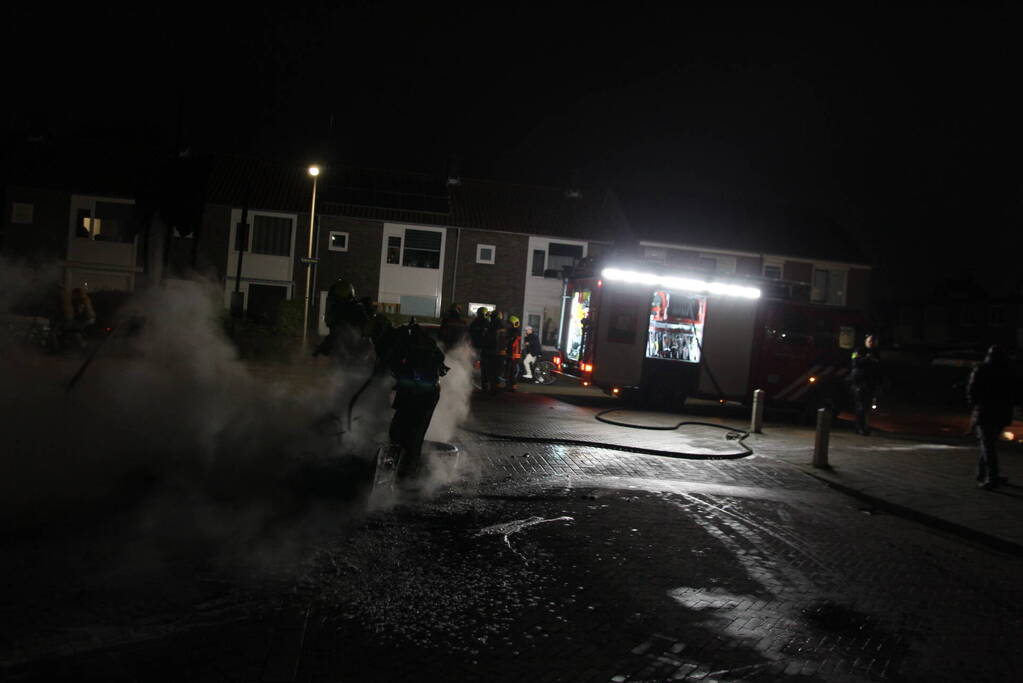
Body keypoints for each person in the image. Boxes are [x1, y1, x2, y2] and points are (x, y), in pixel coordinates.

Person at [388, 320, 449, 482]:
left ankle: (405, 471)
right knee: (414, 432)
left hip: (415, 394)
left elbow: (393, 364)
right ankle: (406, 468)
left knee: (403, 432)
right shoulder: (429, 345)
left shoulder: (405, 346)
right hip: (427, 395)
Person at [967, 344, 1018, 490]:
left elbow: (972, 390)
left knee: (987, 446)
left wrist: (976, 405)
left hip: (985, 412)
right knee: (989, 444)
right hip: (1002, 412)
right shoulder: (1009, 371)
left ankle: (991, 477)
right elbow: (1016, 392)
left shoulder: (982, 369)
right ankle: (984, 474)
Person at [314, 277, 369, 358]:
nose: (334, 303)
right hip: (350, 352)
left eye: (336, 299)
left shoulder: (355, 310)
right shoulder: (347, 309)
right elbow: (335, 334)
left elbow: (339, 332)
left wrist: (324, 347)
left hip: (358, 352)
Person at [849, 334, 880, 435]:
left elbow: (879, 366)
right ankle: (859, 427)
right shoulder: (859, 350)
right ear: (866, 341)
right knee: (860, 406)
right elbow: (854, 362)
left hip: (870, 383)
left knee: (867, 407)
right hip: (860, 382)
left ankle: (864, 426)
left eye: (873, 341)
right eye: (870, 341)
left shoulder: (876, 352)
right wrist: (867, 359)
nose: (871, 343)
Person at [52, 286, 96, 351]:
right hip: (91, 318)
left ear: (77, 293)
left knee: (74, 330)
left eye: (73, 294)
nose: (72, 296)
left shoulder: (82, 300)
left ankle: (83, 346)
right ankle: (81, 345)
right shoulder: (86, 298)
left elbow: (79, 311)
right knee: (74, 329)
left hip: (87, 319)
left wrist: (73, 314)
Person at [504, 315, 523, 390]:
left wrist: (510, 353)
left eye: (509, 323)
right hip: (513, 354)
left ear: (513, 324)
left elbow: (513, 343)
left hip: (513, 354)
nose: (508, 325)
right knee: (511, 370)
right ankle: (512, 386)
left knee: (510, 370)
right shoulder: (515, 331)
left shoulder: (514, 332)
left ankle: (510, 386)